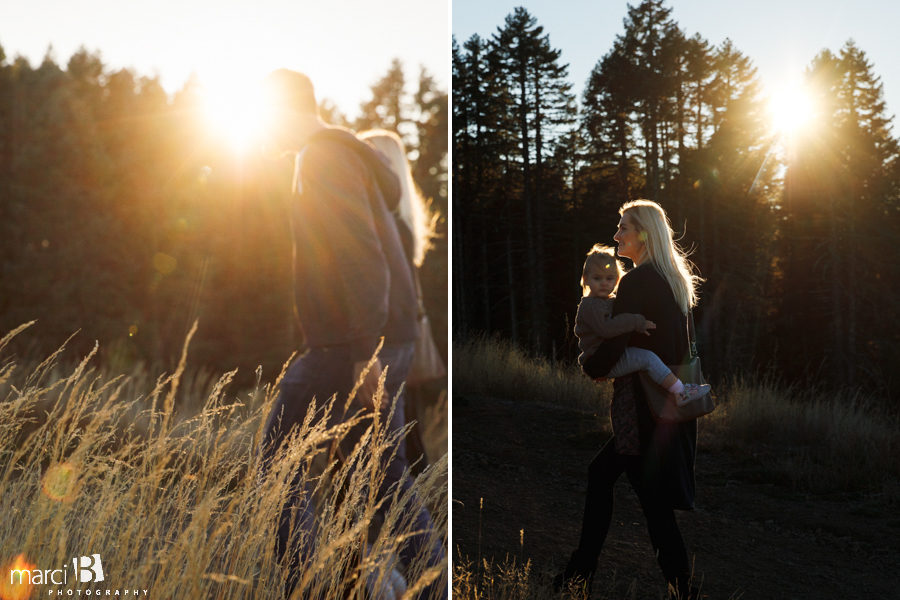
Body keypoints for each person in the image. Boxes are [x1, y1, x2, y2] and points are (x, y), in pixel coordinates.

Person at [255, 69, 445, 599]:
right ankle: (431, 585)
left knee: (277, 461)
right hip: (384, 337)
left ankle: (311, 587)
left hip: (351, 344)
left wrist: (366, 353)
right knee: (384, 474)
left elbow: (361, 257)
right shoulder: (339, 156)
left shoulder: (322, 157)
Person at [557, 200, 704, 599]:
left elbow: (612, 341)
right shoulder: (673, 279)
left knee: (615, 483)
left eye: (624, 228)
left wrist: (593, 366)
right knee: (641, 495)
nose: (618, 234)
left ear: (642, 233)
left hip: (642, 410)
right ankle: (584, 575)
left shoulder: (638, 283)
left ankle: (579, 577)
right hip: (663, 403)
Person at [359, 129, 444, 474]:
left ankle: (419, 521)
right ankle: (420, 514)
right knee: (403, 432)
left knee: (390, 445)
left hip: (386, 341)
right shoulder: (401, 222)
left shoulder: (388, 224)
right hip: (399, 338)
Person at [574, 244, 710, 407]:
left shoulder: (608, 301)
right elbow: (606, 328)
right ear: (586, 279)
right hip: (597, 357)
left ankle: (677, 390)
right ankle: (681, 392)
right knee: (647, 359)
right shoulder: (590, 305)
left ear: (617, 279)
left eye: (609, 278)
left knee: (648, 359)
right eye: (597, 278)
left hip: (607, 356)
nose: (604, 283)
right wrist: (636, 322)